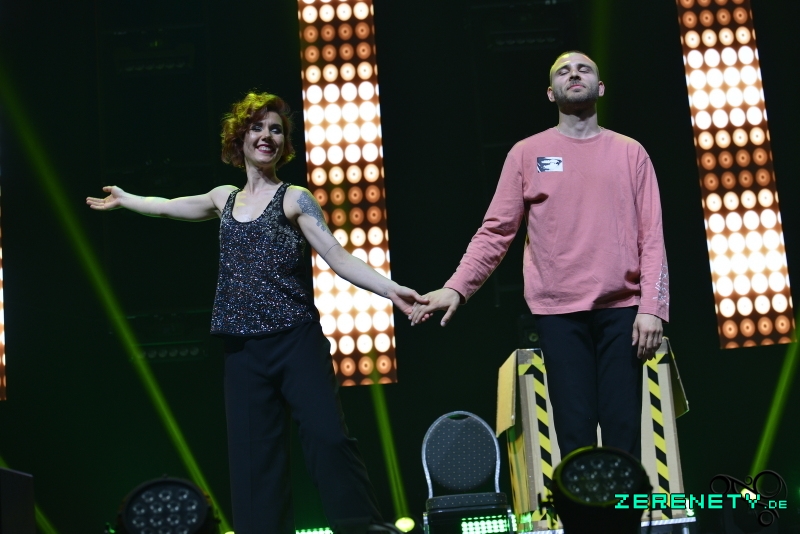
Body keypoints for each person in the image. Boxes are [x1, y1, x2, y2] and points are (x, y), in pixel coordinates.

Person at [87, 92, 427, 533]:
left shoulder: (294, 197)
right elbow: (169, 206)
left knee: (328, 438)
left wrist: (391, 290)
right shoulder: (223, 198)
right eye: (258, 127)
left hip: (295, 341)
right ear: (240, 137)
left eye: (276, 130)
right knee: (254, 461)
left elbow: (337, 256)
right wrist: (127, 199)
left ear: (284, 144)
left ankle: (361, 527)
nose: (267, 136)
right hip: (242, 351)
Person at [409, 51, 669, 460]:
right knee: (574, 432)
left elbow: (651, 237)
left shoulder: (630, 152)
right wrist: (456, 288)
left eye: (584, 69)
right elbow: (496, 232)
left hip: (622, 310)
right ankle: (581, 505)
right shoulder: (527, 153)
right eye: (564, 71)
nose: (574, 74)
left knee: (623, 432)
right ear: (551, 93)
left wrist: (652, 309)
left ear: (600, 87)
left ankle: (625, 505)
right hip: (558, 313)